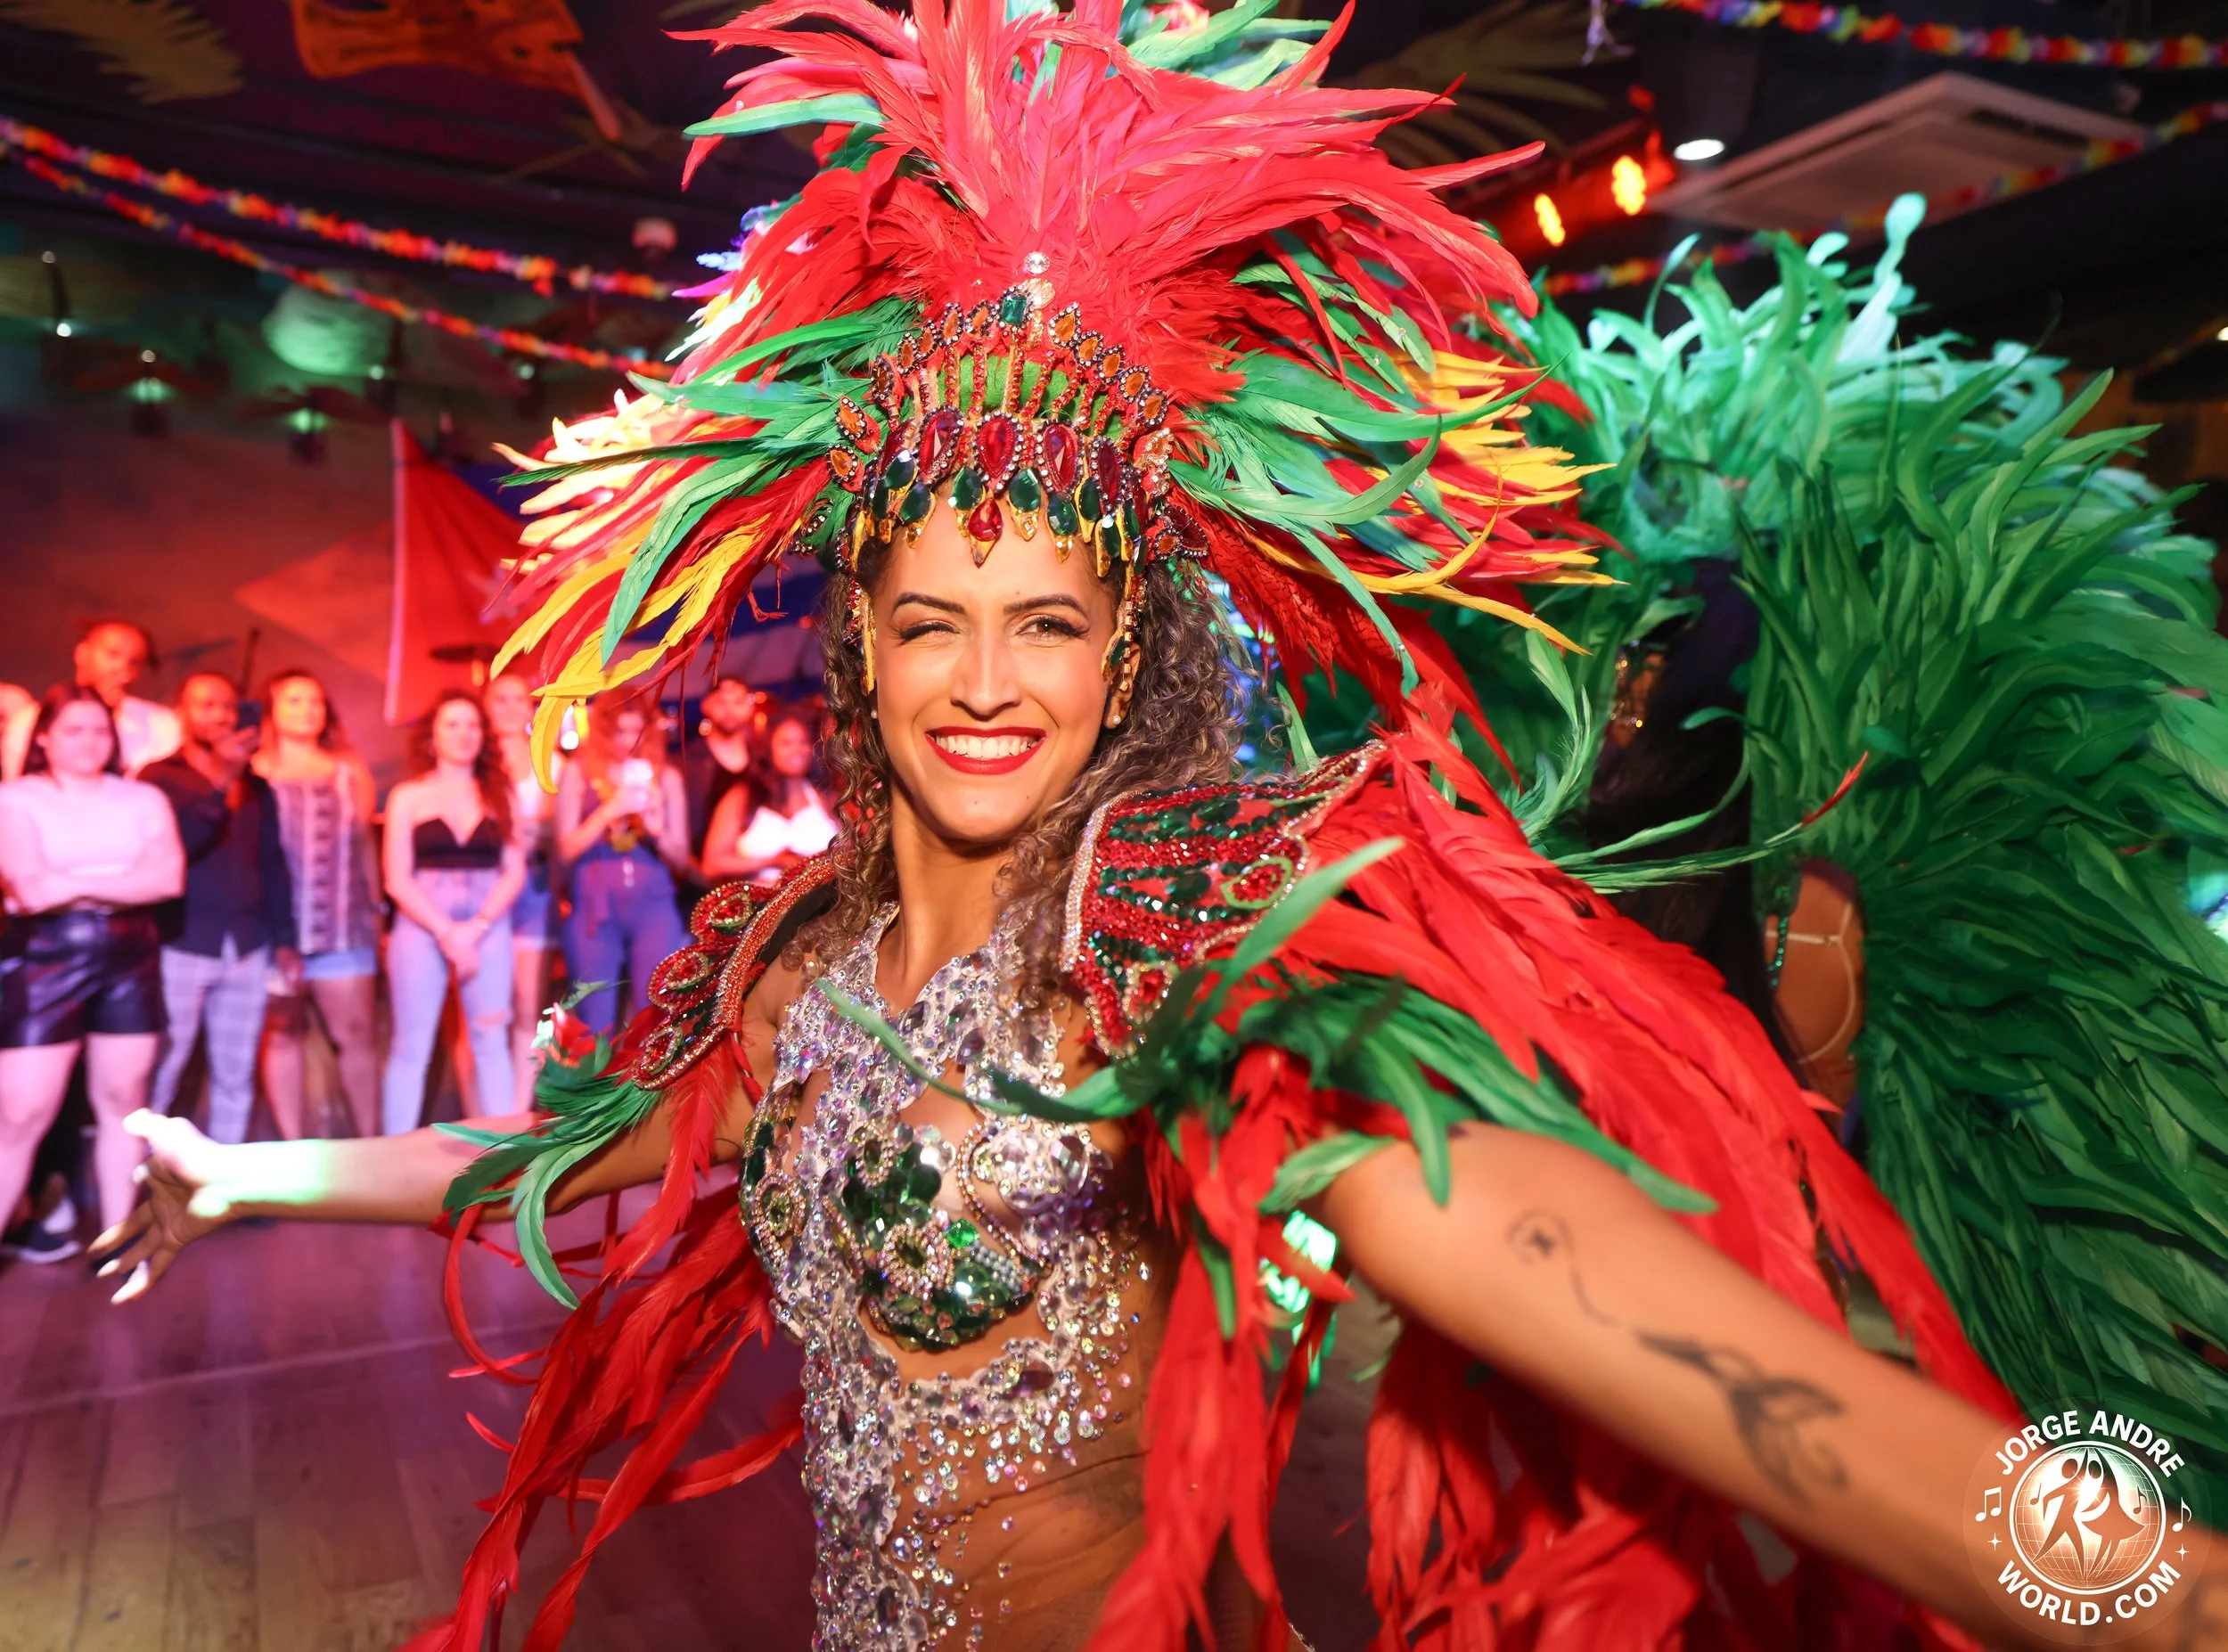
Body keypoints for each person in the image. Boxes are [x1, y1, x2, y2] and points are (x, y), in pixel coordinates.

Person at [87, 8, 2228, 1651]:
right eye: (933, 618)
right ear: (858, 645)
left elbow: (1720, 1368)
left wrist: (2159, 1577)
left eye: (1047, 619)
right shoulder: (794, 960)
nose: (988, 675)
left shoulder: (1200, 960)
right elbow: (564, 1155)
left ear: (1129, 659)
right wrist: (240, 1163)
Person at [0, 687, 181, 1256]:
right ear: (45, 737)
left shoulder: (144, 798)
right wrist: (121, 878)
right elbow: (30, 888)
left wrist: (73, 881)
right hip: (45, 957)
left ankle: (116, 1244)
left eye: (99, 730)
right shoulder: (15, 798)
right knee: (20, 1115)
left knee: (124, 1106)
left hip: (131, 954)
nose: (88, 741)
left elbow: (166, 880)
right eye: (73, 730)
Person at [141, 674, 297, 1146]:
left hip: (246, 944)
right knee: (164, 1065)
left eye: (228, 706)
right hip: (181, 942)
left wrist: (285, 940)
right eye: (206, 705)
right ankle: (140, 1180)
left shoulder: (258, 788)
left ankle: (226, 1186)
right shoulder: (158, 778)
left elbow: (272, 864)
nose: (220, 715)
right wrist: (225, 776)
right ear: (182, 713)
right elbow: (181, 844)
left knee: (236, 1069)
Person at [380, 692, 524, 1133]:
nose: (463, 735)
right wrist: (447, 932)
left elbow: (513, 871)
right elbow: (396, 877)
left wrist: (476, 928)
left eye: (472, 725)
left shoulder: (502, 794)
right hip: (422, 926)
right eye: (452, 725)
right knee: (411, 1046)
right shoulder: (408, 796)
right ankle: (394, 1160)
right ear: (432, 736)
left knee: (490, 1040)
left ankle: (504, 1159)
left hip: (488, 925)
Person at [253, 670, 381, 1139]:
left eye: (314, 700)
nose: (306, 708)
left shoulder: (349, 770)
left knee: (357, 1036)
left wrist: (377, 909)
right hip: (275, 933)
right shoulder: (255, 770)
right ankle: (293, 1145)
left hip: (344, 927)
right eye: (293, 700)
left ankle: (370, 1141)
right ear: (272, 710)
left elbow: (366, 844)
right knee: (281, 1033)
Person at [552, 695, 688, 1035]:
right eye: (619, 731)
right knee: (594, 1021)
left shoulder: (665, 777)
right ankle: (597, 1087)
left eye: (635, 731)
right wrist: (607, 812)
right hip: (595, 907)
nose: (628, 740)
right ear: (602, 732)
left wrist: (656, 829)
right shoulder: (577, 772)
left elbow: (682, 858)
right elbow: (564, 851)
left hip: (652, 904)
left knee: (653, 1017)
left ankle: (642, 1089)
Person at [484, 673, 559, 1109]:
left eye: (520, 699)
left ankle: (515, 1110)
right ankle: (482, 1107)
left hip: (532, 887)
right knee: (484, 1010)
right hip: (483, 892)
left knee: (527, 1002)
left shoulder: (549, 761)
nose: (512, 708)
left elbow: (555, 829)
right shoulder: (473, 762)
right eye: (501, 699)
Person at [2, 619, 182, 779]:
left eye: (134, 662)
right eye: (113, 655)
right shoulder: (30, 721)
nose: (123, 670)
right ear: (82, 653)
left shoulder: (161, 724)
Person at [701, 702, 834, 886]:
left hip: (823, 904)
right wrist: (773, 861)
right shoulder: (744, 797)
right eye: (786, 743)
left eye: (803, 742)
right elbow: (712, 865)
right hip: (763, 905)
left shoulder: (824, 796)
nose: (797, 750)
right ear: (769, 748)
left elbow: (850, 852)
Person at [682, 673, 759, 872]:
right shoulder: (687, 762)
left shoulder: (764, 759)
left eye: (738, 701)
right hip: (702, 877)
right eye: (721, 702)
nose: (730, 710)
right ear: (705, 705)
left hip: (757, 873)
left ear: (751, 706)